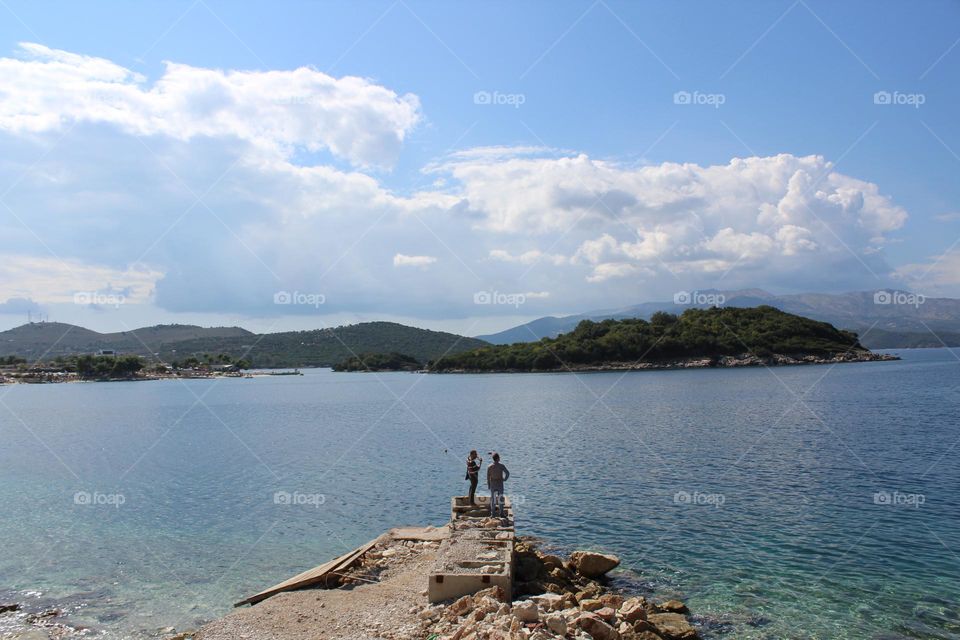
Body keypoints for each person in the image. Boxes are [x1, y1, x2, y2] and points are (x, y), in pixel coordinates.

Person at [486, 452, 510, 517]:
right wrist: (505, 479)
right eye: (499, 457)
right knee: (501, 499)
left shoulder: (489, 466)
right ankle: (501, 513)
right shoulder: (501, 466)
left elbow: (488, 477)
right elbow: (507, 473)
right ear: (498, 458)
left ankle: (493, 514)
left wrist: (488, 485)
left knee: (493, 499)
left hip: (493, 484)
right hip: (500, 483)